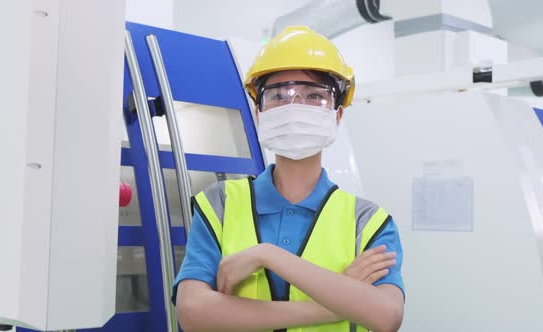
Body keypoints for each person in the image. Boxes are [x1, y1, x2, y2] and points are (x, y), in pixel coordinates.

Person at [173, 26, 404, 332]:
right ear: (259, 113)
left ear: (337, 115)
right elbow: (192, 313)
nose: (296, 107)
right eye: (279, 95)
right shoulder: (220, 203)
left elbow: (387, 316)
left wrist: (268, 256)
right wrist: (335, 302)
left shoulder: (368, 220)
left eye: (314, 96)